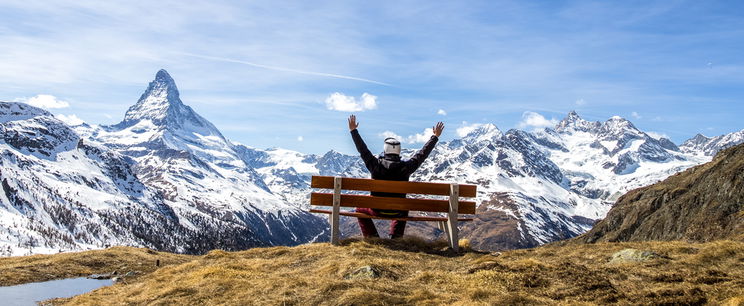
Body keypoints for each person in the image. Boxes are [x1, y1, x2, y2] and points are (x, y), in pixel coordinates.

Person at [347, 115, 444, 239]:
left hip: (377, 209)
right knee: (404, 207)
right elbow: (422, 155)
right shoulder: (407, 167)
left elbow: (363, 150)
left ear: (385, 150)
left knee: (360, 210)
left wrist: (353, 131)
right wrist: (435, 137)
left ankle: (372, 237)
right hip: (398, 209)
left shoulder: (375, 165)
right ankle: (396, 237)